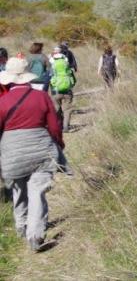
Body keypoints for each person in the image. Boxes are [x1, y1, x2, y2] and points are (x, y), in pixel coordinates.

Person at [0, 57, 68, 251]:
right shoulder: (42, 97)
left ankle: (21, 226)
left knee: (18, 190)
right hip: (41, 148)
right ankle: (35, 235)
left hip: (12, 153)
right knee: (37, 190)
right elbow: (54, 126)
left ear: (9, 79)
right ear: (28, 77)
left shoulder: (3, 102)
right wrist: (58, 144)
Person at [50, 47, 75, 133]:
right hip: (67, 90)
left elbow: (50, 79)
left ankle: (57, 125)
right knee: (67, 109)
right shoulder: (67, 65)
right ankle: (65, 127)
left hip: (56, 91)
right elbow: (73, 80)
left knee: (56, 108)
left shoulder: (53, 66)